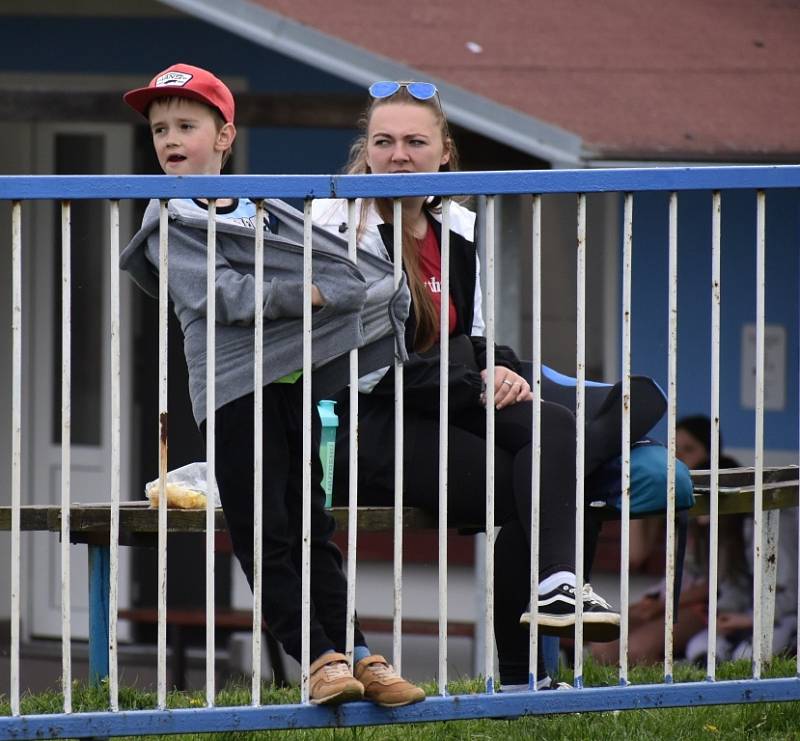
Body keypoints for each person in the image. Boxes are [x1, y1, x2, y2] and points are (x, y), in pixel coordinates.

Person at [119, 63, 424, 707]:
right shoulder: (166, 215)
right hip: (234, 390)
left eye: (187, 125)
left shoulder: (262, 203)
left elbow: (330, 262)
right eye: (159, 129)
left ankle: (358, 654)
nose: (171, 139)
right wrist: (309, 295)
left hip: (290, 380)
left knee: (311, 522)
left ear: (225, 136)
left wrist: (354, 287)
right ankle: (315, 656)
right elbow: (221, 296)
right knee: (267, 530)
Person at [312, 80, 625, 691]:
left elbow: (471, 337)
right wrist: (478, 379)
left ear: (444, 150)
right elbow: (365, 364)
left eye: (413, 141)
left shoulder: (456, 223)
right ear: (366, 150)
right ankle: (519, 676)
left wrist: (499, 368)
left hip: (448, 398)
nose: (398, 154)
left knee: (558, 429)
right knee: (531, 482)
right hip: (370, 419)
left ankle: (559, 586)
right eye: (383, 141)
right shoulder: (336, 220)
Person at [592, 414, 743, 665]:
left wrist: (663, 605)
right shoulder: (671, 495)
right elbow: (635, 555)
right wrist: (639, 492)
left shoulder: (723, 506)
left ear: (711, 455)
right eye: (673, 449)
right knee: (603, 645)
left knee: (636, 649)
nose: (679, 458)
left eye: (689, 449)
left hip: (711, 603)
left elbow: (717, 581)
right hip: (669, 596)